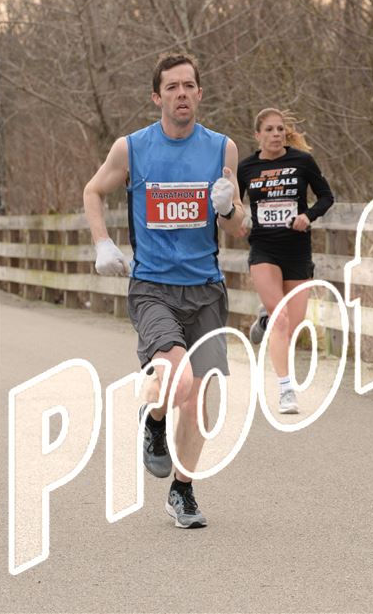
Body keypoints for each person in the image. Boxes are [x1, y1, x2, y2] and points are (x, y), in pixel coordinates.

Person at [84, 52, 244, 528]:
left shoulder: (223, 149)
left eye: (188, 86)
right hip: (153, 287)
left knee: (198, 398)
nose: (181, 94)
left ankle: (182, 490)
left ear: (200, 93)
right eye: (171, 87)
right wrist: (102, 242)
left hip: (206, 289)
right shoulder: (132, 148)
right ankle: (154, 420)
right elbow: (93, 191)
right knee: (180, 377)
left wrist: (228, 208)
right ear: (157, 97)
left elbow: (239, 227)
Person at [237, 108, 334, 414]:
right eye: (269, 129)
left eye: (280, 129)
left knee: (292, 325)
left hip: (297, 252)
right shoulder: (247, 167)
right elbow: (235, 203)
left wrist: (308, 215)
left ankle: (264, 322)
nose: (276, 134)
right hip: (264, 250)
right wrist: (237, 221)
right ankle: (286, 390)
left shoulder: (302, 161)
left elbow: (326, 197)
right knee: (281, 319)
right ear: (258, 135)